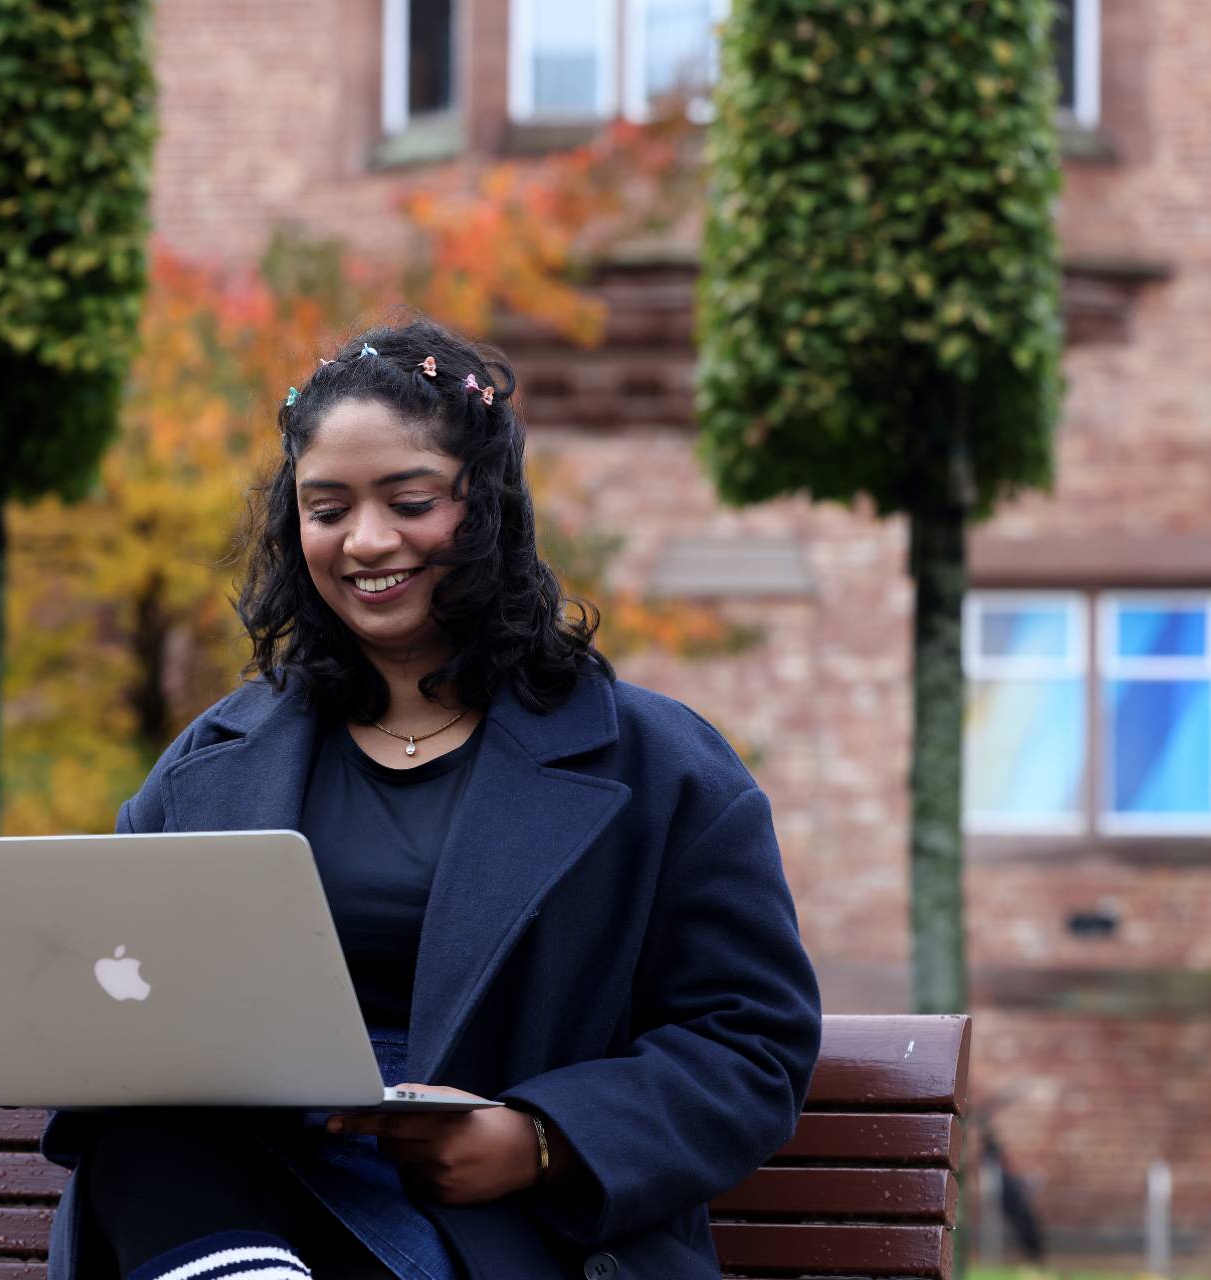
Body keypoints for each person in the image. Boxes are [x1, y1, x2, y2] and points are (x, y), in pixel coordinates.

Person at [40, 316, 822, 1280]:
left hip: (505, 1227)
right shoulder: (211, 761)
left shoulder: (659, 764)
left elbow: (751, 1041)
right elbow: (124, 1003)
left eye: (409, 501)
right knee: (140, 1146)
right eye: (326, 509)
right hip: (236, 1191)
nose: (366, 541)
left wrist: (540, 1141)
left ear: (484, 506)